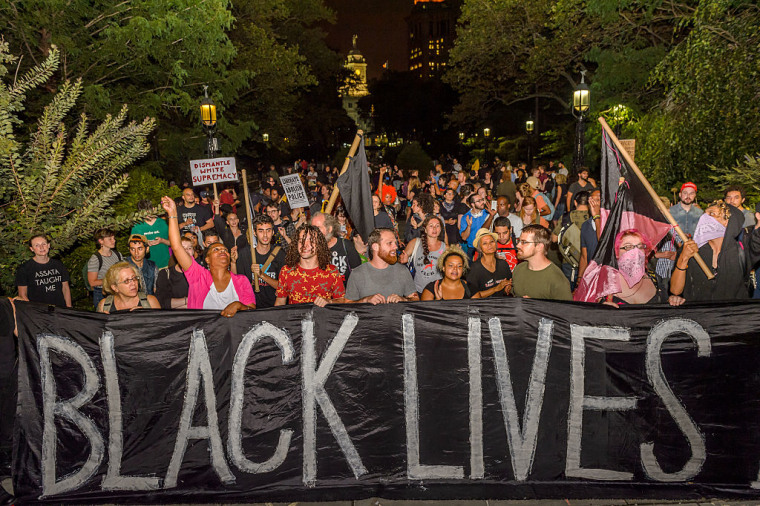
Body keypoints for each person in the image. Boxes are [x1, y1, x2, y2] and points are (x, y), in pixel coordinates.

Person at [162, 196, 256, 316]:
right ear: (207, 259)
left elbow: (253, 312)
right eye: (216, 249)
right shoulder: (198, 276)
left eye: (225, 250)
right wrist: (172, 214)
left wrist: (239, 305)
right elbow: (177, 247)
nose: (222, 251)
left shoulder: (241, 280)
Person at [670, 201, 760, 303]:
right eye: (704, 214)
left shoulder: (742, 251)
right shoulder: (690, 249)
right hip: (699, 314)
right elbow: (675, 290)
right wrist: (684, 257)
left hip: (733, 316)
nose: (704, 218)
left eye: (712, 214)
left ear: (727, 222)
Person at [274, 224, 345, 306]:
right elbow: (279, 303)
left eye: (311, 241)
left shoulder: (331, 271)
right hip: (295, 318)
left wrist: (330, 302)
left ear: (319, 245)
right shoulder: (286, 271)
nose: (305, 245)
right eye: (301, 241)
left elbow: (342, 300)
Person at [344, 228, 419, 304]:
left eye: (395, 243)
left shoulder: (402, 271)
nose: (395, 247)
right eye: (389, 243)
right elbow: (347, 304)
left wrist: (403, 300)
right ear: (375, 247)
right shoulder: (357, 274)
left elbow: (415, 299)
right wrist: (365, 300)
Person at [601, 229, 671, 306]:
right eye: (628, 247)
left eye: (640, 246)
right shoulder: (604, 282)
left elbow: (665, 308)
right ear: (616, 252)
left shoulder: (655, 278)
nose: (636, 251)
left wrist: (673, 300)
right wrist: (602, 310)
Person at [236, 215, 286, 309]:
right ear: (254, 233)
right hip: (252, 308)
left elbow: (283, 287)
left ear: (273, 232)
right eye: (261, 231)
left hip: (274, 307)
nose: (265, 235)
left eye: (268, 230)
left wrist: (261, 274)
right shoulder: (245, 254)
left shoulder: (280, 254)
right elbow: (239, 287)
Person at [512, 225, 572, 300]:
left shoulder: (557, 280)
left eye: (524, 242)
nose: (518, 245)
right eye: (519, 241)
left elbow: (566, 310)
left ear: (539, 247)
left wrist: (538, 306)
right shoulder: (519, 269)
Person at [15, 234, 72, 307]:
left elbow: (65, 288)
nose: (41, 247)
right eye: (37, 245)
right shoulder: (24, 269)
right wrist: (33, 312)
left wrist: (69, 308)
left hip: (60, 310)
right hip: (38, 313)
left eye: (44, 244)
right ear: (32, 249)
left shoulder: (58, 265)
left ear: (48, 245)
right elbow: (22, 295)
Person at [400, 215, 447, 294]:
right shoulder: (415, 243)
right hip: (417, 290)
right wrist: (402, 259)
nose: (434, 229)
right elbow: (400, 260)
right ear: (425, 229)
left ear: (440, 230)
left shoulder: (445, 248)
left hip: (436, 291)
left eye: (437, 226)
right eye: (431, 226)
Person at [310, 212, 362, 283]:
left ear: (330, 229)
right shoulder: (311, 249)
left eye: (318, 228)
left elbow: (358, 272)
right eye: (312, 228)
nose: (314, 232)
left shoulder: (345, 245)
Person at [96, 262, 160, 313]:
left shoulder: (150, 302)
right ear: (115, 287)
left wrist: (148, 315)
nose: (133, 283)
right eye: (126, 281)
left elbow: (162, 326)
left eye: (134, 278)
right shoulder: (105, 306)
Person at [467, 229, 512, 299]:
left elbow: (509, 282)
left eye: (492, 241)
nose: (489, 245)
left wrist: (508, 287)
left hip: (503, 305)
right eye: (485, 243)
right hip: (484, 307)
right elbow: (474, 296)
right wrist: (495, 289)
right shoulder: (474, 269)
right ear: (480, 248)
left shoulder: (503, 264)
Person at [87, 228, 124, 308]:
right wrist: (111, 280)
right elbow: (92, 282)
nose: (114, 241)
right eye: (110, 239)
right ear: (101, 241)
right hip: (101, 294)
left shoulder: (118, 255)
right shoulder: (95, 258)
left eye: (114, 238)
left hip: (117, 291)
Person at [155, 236, 194, 309]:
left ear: (193, 251)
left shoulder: (201, 273)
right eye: (182, 248)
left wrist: (178, 304)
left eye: (189, 248)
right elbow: (161, 302)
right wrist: (188, 300)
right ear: (175, 253)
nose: (186, 251)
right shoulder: (165, 274)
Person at [131, 199, 170, 269]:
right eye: (144, 213)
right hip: (147, 267)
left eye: (149, 211)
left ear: (153, 209)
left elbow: (173, 243)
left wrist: (162, 240)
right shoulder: (136, 227)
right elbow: (133, 249)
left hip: (165, 264)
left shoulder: (164, 223)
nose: (147, 215)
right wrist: (144, 244)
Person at [459, 193, 489, 258]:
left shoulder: (487, 213)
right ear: (472, 204)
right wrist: (469, 226)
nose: (482, 202)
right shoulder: (465, 217)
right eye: (479, 201)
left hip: (487, 247)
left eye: (482, 200)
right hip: (473, 249)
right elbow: (464, 237)